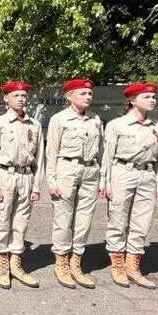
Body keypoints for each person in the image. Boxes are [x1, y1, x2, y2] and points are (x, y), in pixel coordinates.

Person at [101, 82, 158, 289]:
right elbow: (107, 157)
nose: (152, 100)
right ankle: (118, 265)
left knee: (142, 223)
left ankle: (133, 266)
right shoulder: (117, 125)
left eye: (153, 97)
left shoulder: (157, 126)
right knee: (118, 220)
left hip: (147, 175)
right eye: (146, 97)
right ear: (132, 100)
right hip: (122, 172)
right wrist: (106, 181)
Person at [0, 80, 44, 289]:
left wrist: (37, 186)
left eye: (23, 95)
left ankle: (16, 264)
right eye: (16, 95)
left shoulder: (34, 125)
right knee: (2, 221)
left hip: (26, 176)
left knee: (21, 222)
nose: (21, 99)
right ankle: (2, 266)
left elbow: (40, 157)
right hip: (5, 176)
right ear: (6, 98)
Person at [46, 78, 103, 289]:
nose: (88, 97)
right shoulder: (59, 119)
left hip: (90, 170)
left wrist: (102, 177)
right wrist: (51, 180)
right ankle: (61, 262)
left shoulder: (95, 119)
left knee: (85, 219)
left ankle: (76, 262)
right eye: (82, 93)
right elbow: (51, 151)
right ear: (69, 96)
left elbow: (101, 151)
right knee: (64, 217)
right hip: (67, 168)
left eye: (90, 94)